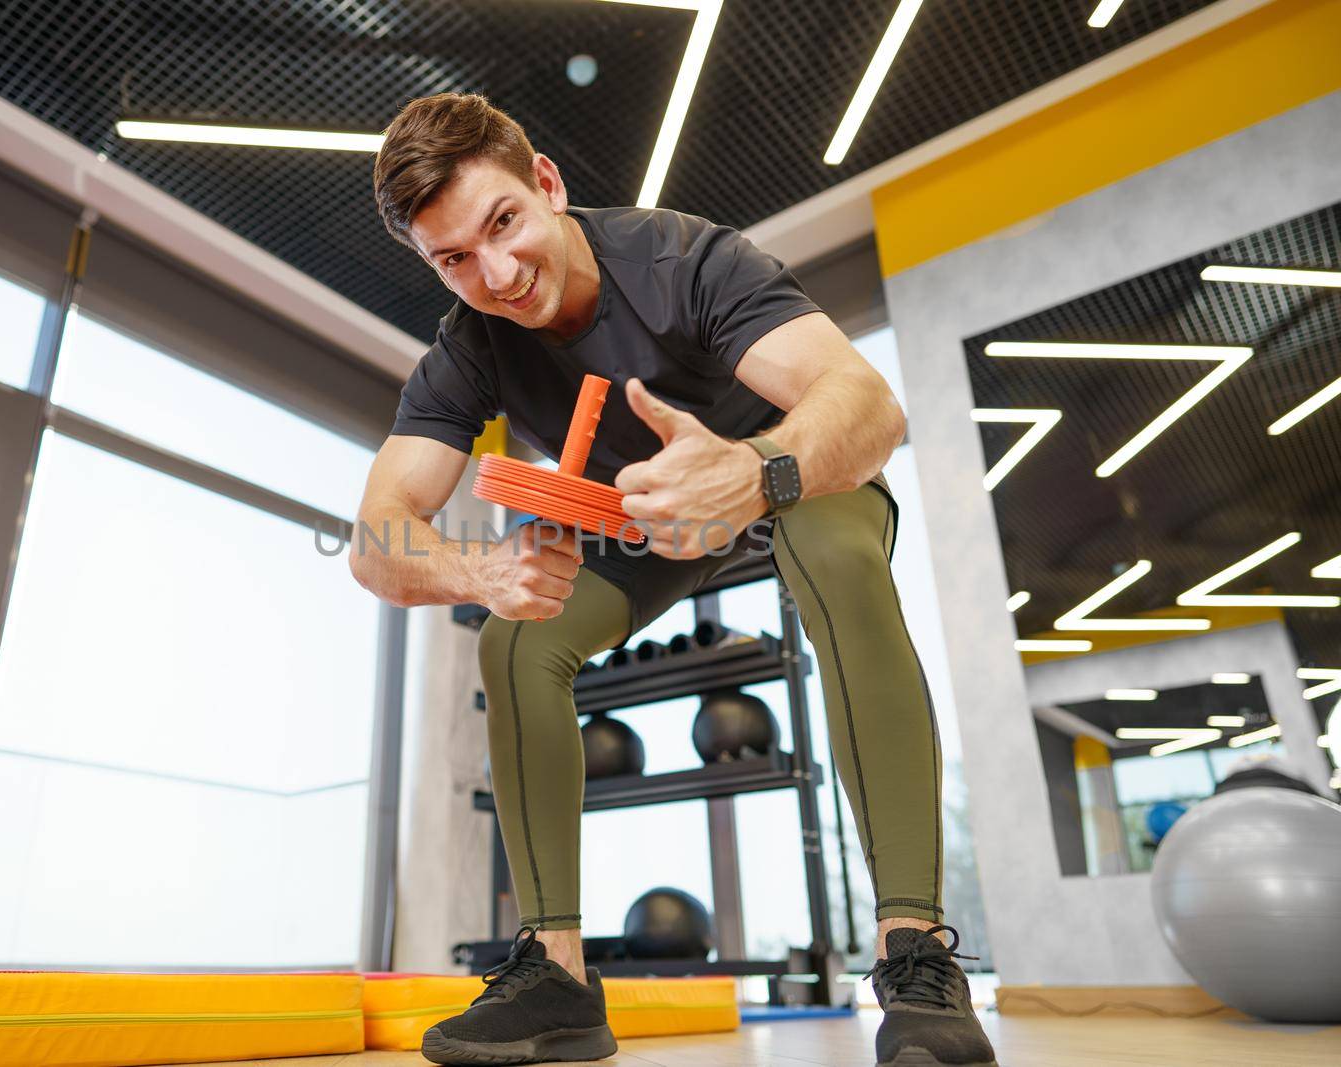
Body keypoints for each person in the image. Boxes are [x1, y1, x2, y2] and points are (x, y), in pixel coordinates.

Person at [350, 92, 996, 1067]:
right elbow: (375, 538)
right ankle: (556, 977)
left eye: (503, 223)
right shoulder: (469, 343)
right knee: (515, 636)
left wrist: (753, 471)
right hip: (640, 522)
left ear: (547, 184)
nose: (495, 272)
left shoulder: (684, 260)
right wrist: (477, 568)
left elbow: (867, 408)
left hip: (783, 475)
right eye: (453, 259)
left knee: (837, 554)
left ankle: (914, 952)